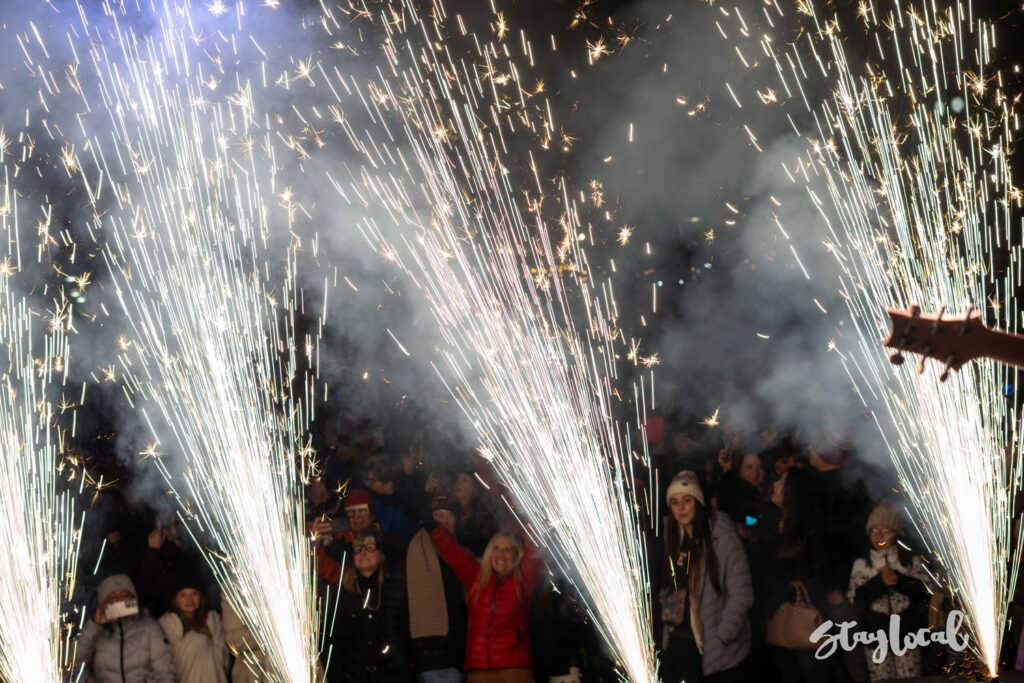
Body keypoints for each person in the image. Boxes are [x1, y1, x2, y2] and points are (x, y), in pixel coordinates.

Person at [655, 470, 754, 683]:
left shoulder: (721, 538)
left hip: (715, 644)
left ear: (698, 502)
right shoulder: (671, 538)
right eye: (674, 502)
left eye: (686, 500)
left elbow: (742, 594)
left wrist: (723, 635)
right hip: (680, 639)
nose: (680, 507)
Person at [423, 504, 540, 683]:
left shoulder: (523, 581)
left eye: (507, 550)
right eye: (496, 548)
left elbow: (533, 553)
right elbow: (452, 552)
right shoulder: (476, 576)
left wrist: (533, 520)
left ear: (516, 555)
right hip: (478, 671)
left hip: (514, 670)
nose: (500, 554)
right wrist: (434, 528)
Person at [384, 493, 468, 682]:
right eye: (438, 516)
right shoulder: (408, 562)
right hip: (429, 665)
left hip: (465, 662)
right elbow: (391, 619)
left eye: (449, 516)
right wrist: (400, 665)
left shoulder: (465, 559)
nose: (443, 521)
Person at [848, 500, 929, 681]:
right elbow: (855, 597)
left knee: (909, 677)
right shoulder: (861, 564)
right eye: (874, 531)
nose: (879, 536)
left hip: (907, 638)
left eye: (886, 530)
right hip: (876, 639)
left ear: (897, 534)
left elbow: (923, 592)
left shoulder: (909, 562)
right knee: (881, 678)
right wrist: (879, 581)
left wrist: (896, 579)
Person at [324, 532, 411, 682]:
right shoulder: (345, 591)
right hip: (353, 675)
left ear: (382, 554)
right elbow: (334, 638)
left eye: (370, 548)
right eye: (358, 549)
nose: (363, 553)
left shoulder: (393, 584)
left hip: (391, 673)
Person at [73, 574, 175, 683]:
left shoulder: (149, 627)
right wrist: (95, 624)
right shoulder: (98, 631)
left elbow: (165, 673)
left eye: (124, 595)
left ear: (134, 598)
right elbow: (74, 662)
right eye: (112, 597)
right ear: (103, 603)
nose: (119, 600)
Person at [158, 575, 229, 683]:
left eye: (194, 594)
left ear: (200, 597)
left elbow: (223, 656)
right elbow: (168, 660)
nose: (189, 600)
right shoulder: (169, 623)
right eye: (183, 595)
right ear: (175, 600)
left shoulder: (212, 620)